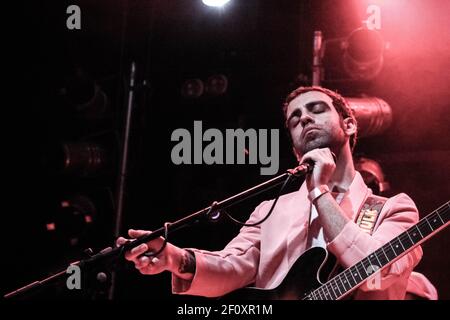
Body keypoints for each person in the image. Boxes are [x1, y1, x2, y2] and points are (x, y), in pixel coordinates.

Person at [116, 86, 423, 299]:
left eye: (316, 109)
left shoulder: (393, 209)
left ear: (349, 125)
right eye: (295, 119)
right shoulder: (270, 210)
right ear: (294, 148)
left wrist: (319, 192)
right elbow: (233, 267)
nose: (304, 118)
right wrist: (175, 258)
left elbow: (375, 274)